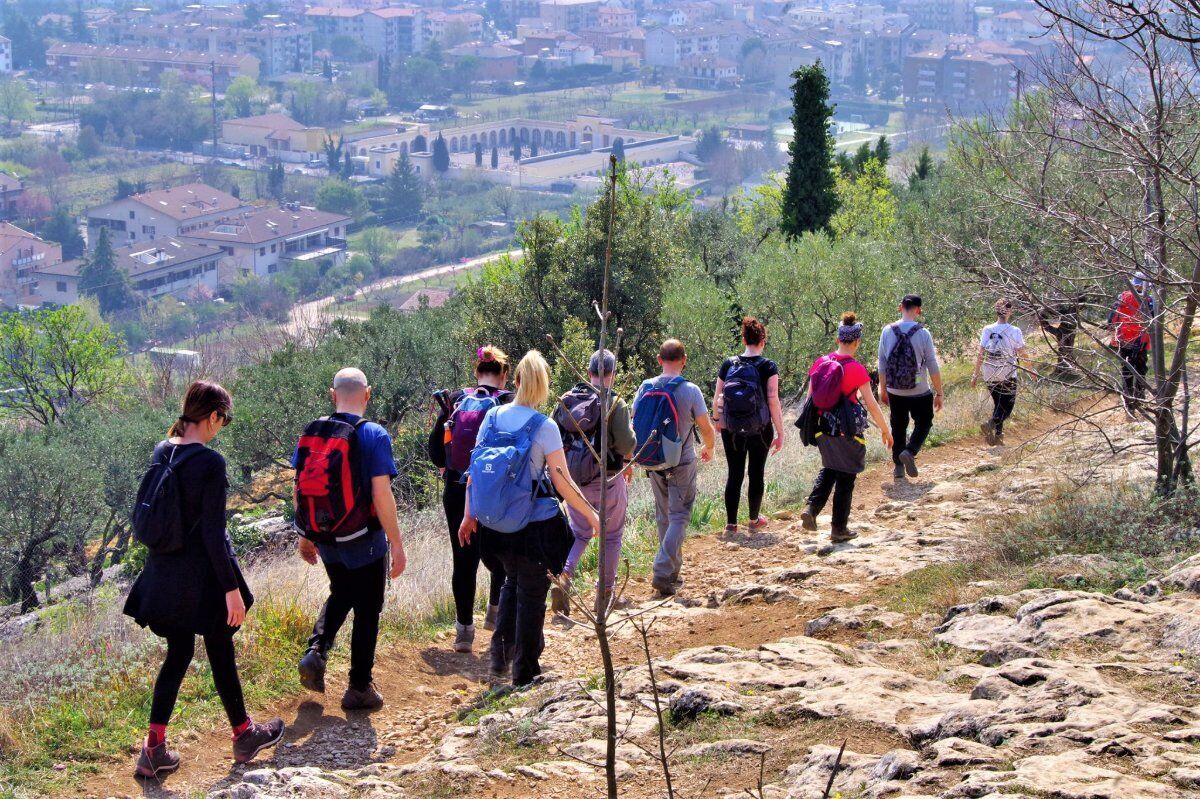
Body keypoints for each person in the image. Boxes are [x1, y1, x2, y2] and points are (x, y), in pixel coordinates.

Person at [124, 381, 284, 778]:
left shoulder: (162, 451)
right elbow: (214, 534)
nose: (222, 427)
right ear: (213, 416)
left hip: (162, 575)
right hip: (201, 580)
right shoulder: (210, 463)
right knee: (220, 648)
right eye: (223, 420)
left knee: (178, 654)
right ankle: (244, 735)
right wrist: (232, 589)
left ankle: (153, 749)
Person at [459, 350, 600, 687]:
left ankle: (499, 659)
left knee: (512, 581)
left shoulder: (492, 416)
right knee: (532, 594)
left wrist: (469, 515)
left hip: (495, 526)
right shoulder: (544, 426)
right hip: (533, 529)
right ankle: (525, 673)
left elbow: (474, 471)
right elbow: (563, 483)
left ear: (518, 380)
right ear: (544, 385)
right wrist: (593, 516)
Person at [295, 368, 407, 711]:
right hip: (364, 538)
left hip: (327, 535)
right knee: (368, 608)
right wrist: (397, 543)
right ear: (367, 394)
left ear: (333, 395)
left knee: (342, 591)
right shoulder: (373, 434)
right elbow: (381, 494)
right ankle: (359, 687)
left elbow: (299, 486)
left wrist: (305, 535)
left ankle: (316, 650)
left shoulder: (314, 432)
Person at [428, 346, 512, 653]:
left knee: (463, 560)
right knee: (501, 553)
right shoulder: (508, 403)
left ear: (477, 372)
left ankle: (464, 631)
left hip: (456, 488)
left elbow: (436, 451)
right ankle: (494, 612)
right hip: (495, 491)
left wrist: (449, 466)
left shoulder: (456, 401)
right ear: (504, 375)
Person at [551, 348, 636, 618]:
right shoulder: (615, 402)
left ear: (588, 372)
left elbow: (552, 437)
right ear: (613, 373)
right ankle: (604, 595)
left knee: (580, 533)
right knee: (611, 536)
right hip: (606, 480)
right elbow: (626, 444)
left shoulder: (567, 400)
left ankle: (564, 578)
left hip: (573, 483)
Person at [633, 339, 716, 597]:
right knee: (679, 516)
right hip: (682, 460)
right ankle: (662, 569)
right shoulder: (690, 390)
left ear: (659, 360)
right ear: (684, 360)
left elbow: (634, 421)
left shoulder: (644, 386)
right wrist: (710, 447)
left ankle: (672, 572)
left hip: (652, 459)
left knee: (664, 516)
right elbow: (705, 427)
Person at [801, 314, 893, 542]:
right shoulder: (856, 369)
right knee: (846, 476)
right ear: (857, 342)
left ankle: (811, 509)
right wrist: (885, 429)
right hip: (846, 430)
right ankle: (839, 529)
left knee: (830, 467)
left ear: (838, 339)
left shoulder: (820, 363)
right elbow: (872, 405)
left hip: (822, 429)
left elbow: (810, 399)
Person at [713, 317, 785, 534]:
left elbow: (717, 397)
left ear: (743, 340)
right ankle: (754, 520)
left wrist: (717, 422)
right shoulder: (768, 366)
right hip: (760, 429)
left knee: (734, 473)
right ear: (763, 341)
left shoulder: (728, 364)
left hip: (732, 429)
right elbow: (773, 400)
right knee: (756, 473)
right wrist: (780, 432)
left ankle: (731, 524)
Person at [878, 294, 943, 479]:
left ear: (901, 307)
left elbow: (882, 363)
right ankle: (910, 450)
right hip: (919, 389)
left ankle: (898, 467)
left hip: (894, 390)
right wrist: (939, 393)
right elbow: (932, 365)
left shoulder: (887, 331)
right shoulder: (923, 333)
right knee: (924, 421)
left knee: (898, 426)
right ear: (918, 310)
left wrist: (883, 388)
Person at [972, 299, 1033, 445]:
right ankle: (991, 424)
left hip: (989, 372)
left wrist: (975, 374)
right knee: (1008, 407)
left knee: (999, 405)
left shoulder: (987, 329)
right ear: (1010, 311)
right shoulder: (1015, 330)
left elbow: (981, 353)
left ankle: (998, 436)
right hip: (1007, 373)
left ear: (996, 311)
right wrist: (1031, 369)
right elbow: (1022, 353)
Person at [1109, 273, 1154, 416]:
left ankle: (1129, 407)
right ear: (1143, 285)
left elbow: (1110, 320)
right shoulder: (1147, 299)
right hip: (1141, 342)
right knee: (1140, 371)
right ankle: (1140, 402)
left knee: (1127, 373)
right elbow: (1153, 320)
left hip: (1123, 342)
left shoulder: (1121, 298)